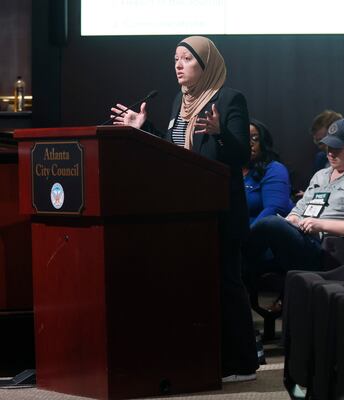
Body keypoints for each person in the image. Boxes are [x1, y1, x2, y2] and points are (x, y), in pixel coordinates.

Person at [110, 36, 258, 382]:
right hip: (191, 212)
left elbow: (239, 157)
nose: (178, 64)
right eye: (175, 59)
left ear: (206, 65)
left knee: (227, 283)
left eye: (187, 59)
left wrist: (221, 133)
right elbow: (178, 153)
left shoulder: (229, 99)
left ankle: (243, 363)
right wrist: (144, 129)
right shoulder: (181, 100)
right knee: (197, 286)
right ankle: (208, 355)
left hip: (220, 210)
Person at [243, 118, 344, 280]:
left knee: (269, 223)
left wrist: (321, 224)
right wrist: (294, 218)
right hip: (305, 240)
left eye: (337, 148)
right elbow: (299, 208)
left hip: (332, 251)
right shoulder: (321, 176)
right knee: (268, 229)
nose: (330, 152)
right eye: (329, 146)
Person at [244, 119, 294, 227]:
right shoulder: (229, 168)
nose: (250, 143)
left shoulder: (274, 169)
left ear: (263, 142)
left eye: (255, 139)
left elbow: (275, 209)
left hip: (260, 235)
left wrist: (246, 238)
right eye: (244, 138)